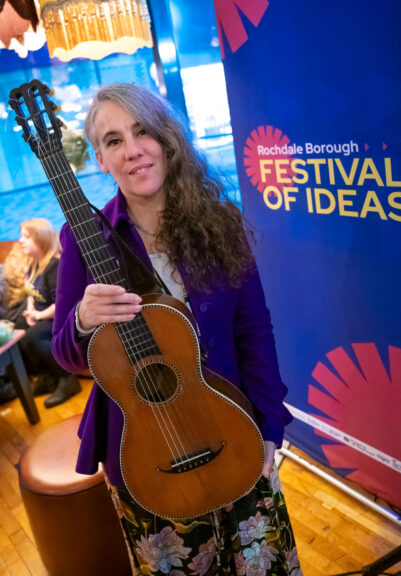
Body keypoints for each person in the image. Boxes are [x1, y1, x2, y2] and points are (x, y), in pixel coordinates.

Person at [52, 84, 301, 575]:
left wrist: (270, 425)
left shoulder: (219, 223)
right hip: (148, 454)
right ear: (101, 159)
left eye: (142, 131)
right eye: (114, 140)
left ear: (166, 139)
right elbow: (68, 355)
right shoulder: (84, 239)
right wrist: (82, 319)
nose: (133, 150)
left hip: (232, 430)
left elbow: (254, 330)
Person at [16, 218, 81, 408]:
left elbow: (61, 304)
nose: (20, 241)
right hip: (41, 314)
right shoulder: (34, 264)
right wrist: (30, 310)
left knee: (32, 337)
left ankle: (67, 379)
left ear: (41, 240)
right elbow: (30, 292)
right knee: (18, 332)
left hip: (58, 317)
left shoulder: (53, 266)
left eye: (26, 237)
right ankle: (48, 378)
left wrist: (38, 316)